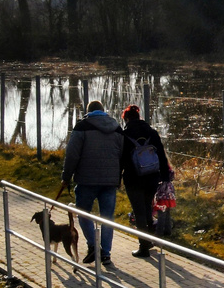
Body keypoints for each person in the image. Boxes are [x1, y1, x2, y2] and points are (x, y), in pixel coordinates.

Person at [61, 99, 125, 267]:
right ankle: (106, 254)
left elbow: (72, 155)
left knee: (83, 213)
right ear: (103, 111)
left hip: (86, 180)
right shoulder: (117, 128)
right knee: (107, 218)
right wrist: (118, 177)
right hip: (110, 181)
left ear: (88, 112)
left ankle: (93, 245)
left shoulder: (82, 127)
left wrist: (66, 177)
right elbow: (123, 155)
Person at [119, 104, 172, 258]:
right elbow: (161, 155)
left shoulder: (124, 135)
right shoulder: (152, 132)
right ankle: (148, 240)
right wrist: (165, 177)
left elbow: (121, 159)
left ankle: (143, 247)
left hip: (133, 178)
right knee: (148, 208)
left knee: (139, 211)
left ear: (127, 119)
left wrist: (117, 178)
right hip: (152, 177)